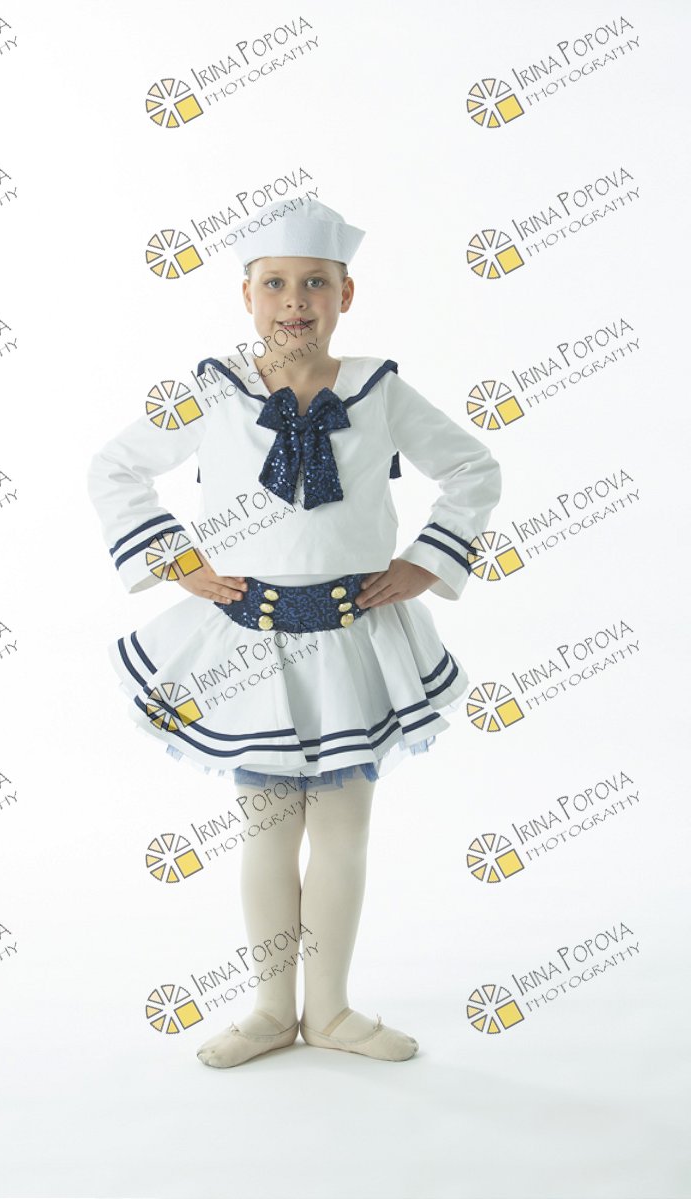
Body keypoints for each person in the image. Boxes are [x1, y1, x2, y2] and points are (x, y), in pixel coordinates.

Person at [87, 197, 503, 1067]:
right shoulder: (214, 392)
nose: (294, 301)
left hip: (356, 641)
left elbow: (473, 465)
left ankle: (333, 1010)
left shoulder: (379, 392)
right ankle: (273, 1009)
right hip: (251, 647)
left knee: (344, 832)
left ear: (345, 295)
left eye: (315, 283)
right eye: (274, 284)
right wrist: (178, 560)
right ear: (247, 297)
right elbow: (116, 466)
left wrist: (426, 561)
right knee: (267, 831)